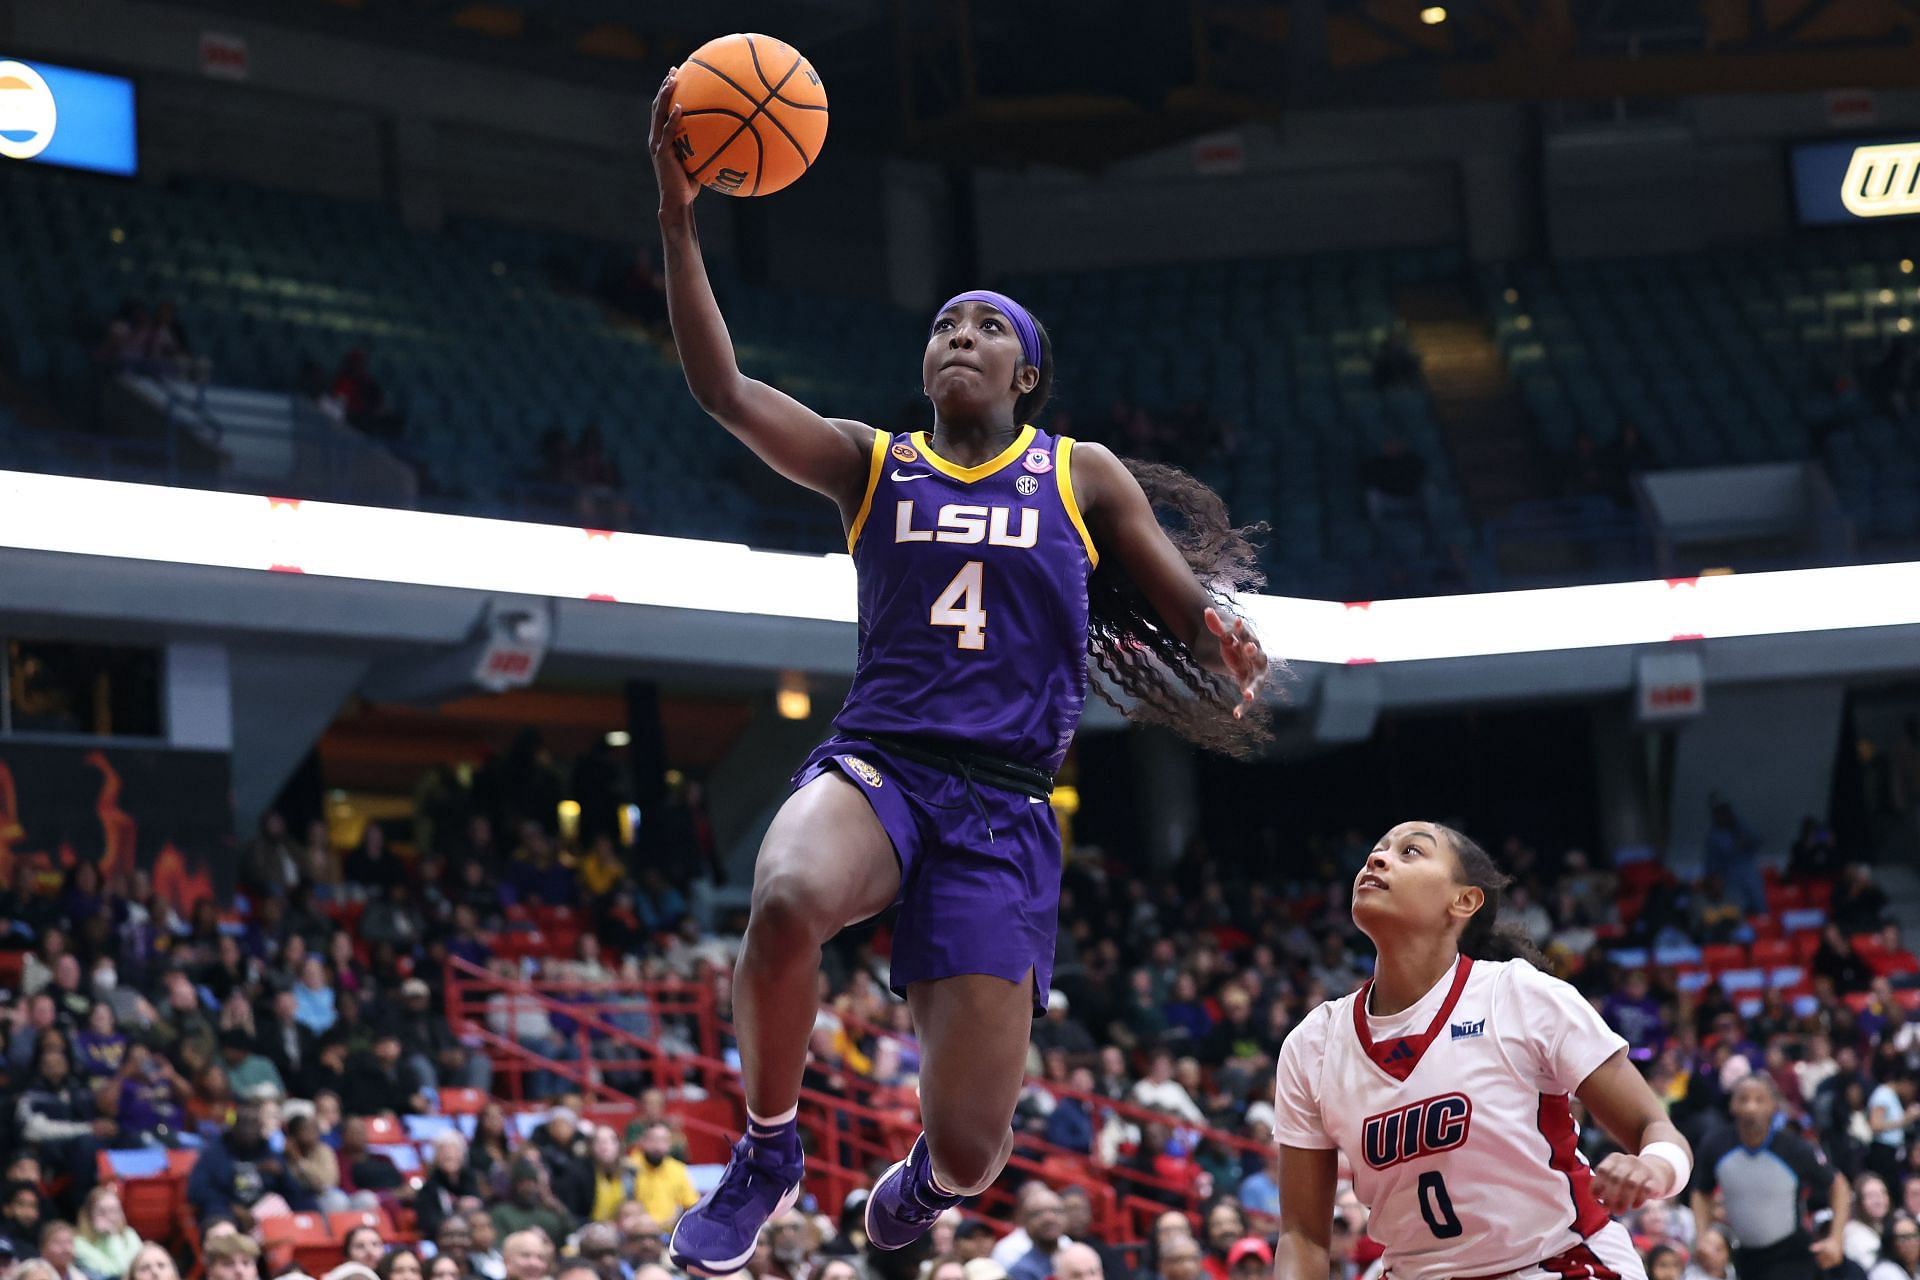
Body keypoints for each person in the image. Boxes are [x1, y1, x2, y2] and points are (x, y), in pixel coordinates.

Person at [647, 65, 1271, 1278]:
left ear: (1026, 371)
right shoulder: (868, 463)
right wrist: (676, 215)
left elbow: (1171, 588)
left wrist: (1217, 633)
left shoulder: (1080, 472)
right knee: (781, 900)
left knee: (978, 1152)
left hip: (1004, 805)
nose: (960, 337)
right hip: (882, 762)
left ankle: (925, 1178)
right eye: (943, 324)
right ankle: (769, 1148)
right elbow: (720, 389)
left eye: (987, 325)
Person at [1272, 822, 1694, 1280]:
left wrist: (1653, 1166)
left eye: (1411, 851)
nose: (1376, 859)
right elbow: (1303, 1235)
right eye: (1376, 851)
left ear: (1464, 901)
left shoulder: (1517, 995)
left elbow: (1657, 1128)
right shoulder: (1313, 1043)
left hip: (1555, 1264)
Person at [1692, 1075, 1850, 1280]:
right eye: (1743, 1099)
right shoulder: (1716, 1146)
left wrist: (1836, 1239)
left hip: (1792, 1256)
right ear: (1732, 1105)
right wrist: (1702, 1236)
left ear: (1773, 1107)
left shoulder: (1794, 1148)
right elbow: (1701, 1192)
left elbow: (1838, 1184)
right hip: (1746, 1256)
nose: (1751, 1108)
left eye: (1759, 1100)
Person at [72, 1187, 141, 1280]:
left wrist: (114, 1235)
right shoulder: (78, 1243)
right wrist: (111, 1236)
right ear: (89, 1215)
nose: (110, 1217)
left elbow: (137, 1269)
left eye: (114, 1210)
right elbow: (117, 1272)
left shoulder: (129, 1234)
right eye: (102, 1211)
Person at [1873, 1214, 1920, 1280]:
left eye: (1915, 1235)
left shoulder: (1916, 1271)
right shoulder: (1884, 1272)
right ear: (1890, 1243)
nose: (1911, 1242)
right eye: (1903, 1238)